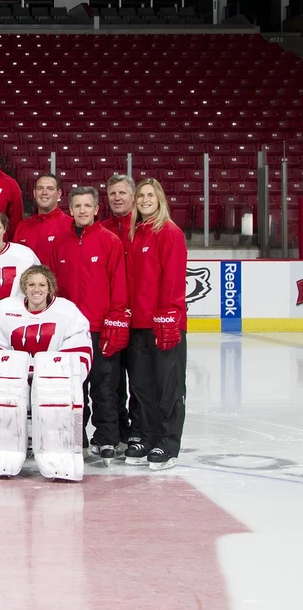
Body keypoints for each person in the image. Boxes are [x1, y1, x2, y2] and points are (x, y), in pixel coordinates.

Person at [0, 265, 93, 480]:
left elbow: (80, 354)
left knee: (56, 391)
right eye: (31, 285)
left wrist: (43, 370)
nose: (36, 290)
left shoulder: (67, 311)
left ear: (50, 288)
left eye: (41, 285)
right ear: (24, 287)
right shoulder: (1, 310)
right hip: (15, 380)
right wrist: (19, 370)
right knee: (1, 388)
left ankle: (60, 456)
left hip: (50, 382)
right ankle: (2, 454)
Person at [50, 186, 129, 461]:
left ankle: (107, 438)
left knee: (105, 386)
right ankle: (76, 437)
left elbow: (118, 283)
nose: (82, 210)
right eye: (77, 206)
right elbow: (53, 288)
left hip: (100, 328)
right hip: (71, 333)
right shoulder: (60, 243)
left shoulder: (110, 242)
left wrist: (115, 319)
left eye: (87, 206)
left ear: (96, 209)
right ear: (69, 210)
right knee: (74, 388)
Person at [125, 178, 187, 471]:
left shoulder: (170, 233)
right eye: (141, 196)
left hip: (164, 324)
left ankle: (168, 443)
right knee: (143, 387)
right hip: (138, 324)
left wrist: (169, 316)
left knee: (168, 387)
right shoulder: (135, 233)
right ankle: (149, 437)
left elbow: (173, 280)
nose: (145, 200)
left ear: (160, 199)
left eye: (150, 195)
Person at [101, 172, 139, 444]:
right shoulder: (101, 229)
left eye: (122, 192)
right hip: (110, 318)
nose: (116, 197)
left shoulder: (144, 227)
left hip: (139, 317)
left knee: (138, 379)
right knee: (112, 381)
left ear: (133, 196)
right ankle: (118, 427)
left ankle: (138, 429)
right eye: (112, 193)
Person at [13, 173, 73, 265]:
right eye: (40, 188)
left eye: (50, 188)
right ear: (34, 193)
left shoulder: (71, 226)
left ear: (59, 194)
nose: (44, 192)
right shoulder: (23, 226)